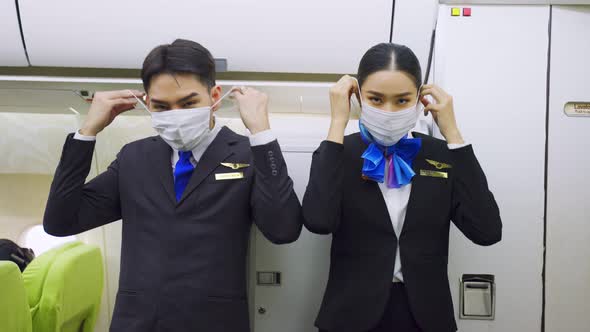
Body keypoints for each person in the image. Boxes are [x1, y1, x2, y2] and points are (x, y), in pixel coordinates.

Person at [43, 39, 303, 332]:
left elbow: (283, 230)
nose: (176, 114)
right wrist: (87, 132)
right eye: (162, 106)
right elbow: (60, 222)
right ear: (148, 104)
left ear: (214, 95)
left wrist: (261, 131)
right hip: (137, 322)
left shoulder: (248, 153)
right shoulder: (134, 157)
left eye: (189, 103)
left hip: (215, 322)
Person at [302, 43, 502, 332]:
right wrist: (337, 123)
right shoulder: (339, 153)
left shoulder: (441, 154)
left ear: (420, 100)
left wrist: (453, 135)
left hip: (426, 317)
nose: (388, 110)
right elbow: (319, 221)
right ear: (358, 96)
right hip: (350, 315)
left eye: (402, 100)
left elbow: (487, 231)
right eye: (376, 99)